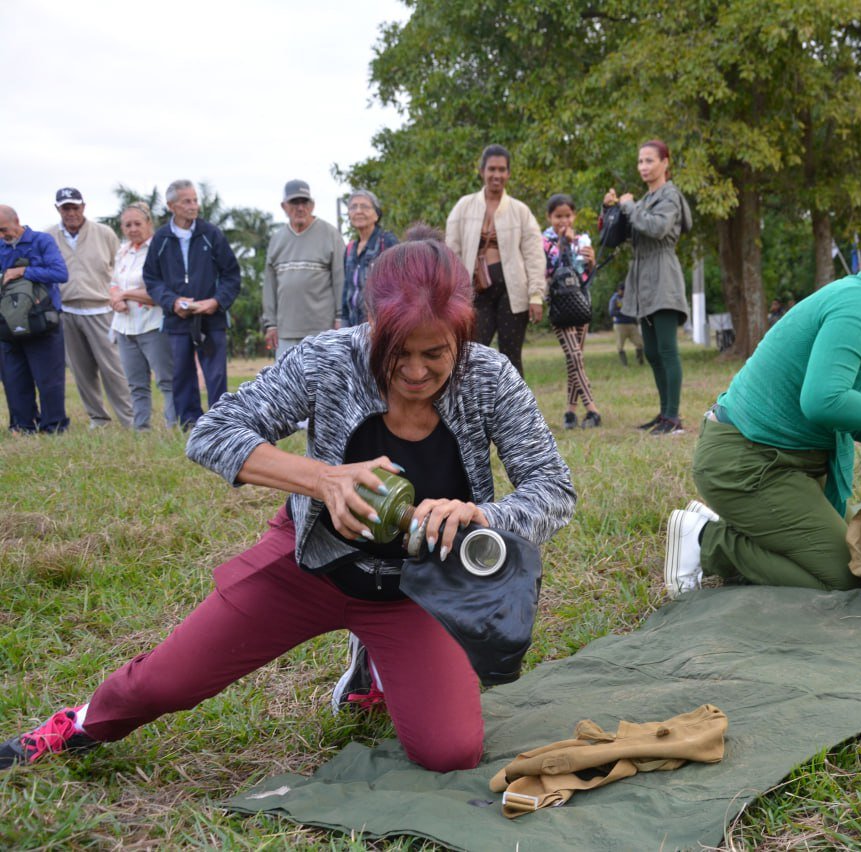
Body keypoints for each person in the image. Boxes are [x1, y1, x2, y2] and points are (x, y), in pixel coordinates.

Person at [0, 236, 575, 774]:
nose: (415, 371)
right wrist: (323, 480)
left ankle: (372, 661)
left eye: (435, 353)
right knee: (167, 683)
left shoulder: (490, 377)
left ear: (462, 334)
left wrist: (483, 515)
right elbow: (213, 432)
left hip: (415, 590)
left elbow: (553, 488)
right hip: (311, 566)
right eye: (397, 351)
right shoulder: (330, 358)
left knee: (450, 751)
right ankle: (76, 722)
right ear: (372, 322)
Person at [662, 202, 861, 596]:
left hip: (787, 466)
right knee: (848, 577)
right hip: (747, 465)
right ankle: (707, 541)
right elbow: (823, 401)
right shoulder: (857, 305)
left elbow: (845, 416)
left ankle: (744, 528)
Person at [602, 139, 693, 435]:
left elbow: (656, 228)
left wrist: (628, 206)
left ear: (665, 163)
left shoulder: (669, 196)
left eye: (649, 161)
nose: (643, 167)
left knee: (666, 349)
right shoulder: (642, 200)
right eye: (640, 161)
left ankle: (674, 417)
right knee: (652, 351)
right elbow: (618, 235)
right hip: (642, 280)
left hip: (663, 277)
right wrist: (611, 210)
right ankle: (664, 414)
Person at [142, 180, 242, 428]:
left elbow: (232, 274)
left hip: (212, 319)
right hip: (177, 319)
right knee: (182, 373)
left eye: (195, 200)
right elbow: (152, 279)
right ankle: (189, 424)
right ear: (171, 206)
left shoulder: (211, 234)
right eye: (187, 201)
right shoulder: (161, 239)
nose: (193, 205)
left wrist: (216, 301)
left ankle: (220, 424)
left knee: (216, 374)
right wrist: (171, 301)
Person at [445, 145, 545, 376]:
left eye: (502, 170)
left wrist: (536, 295)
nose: (496, 175)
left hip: (512, 290)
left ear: (509, 173)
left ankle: (516, 410)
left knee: (511, 355)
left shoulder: (520, 210)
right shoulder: (464, 207)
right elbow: (452, 251)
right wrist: (452, 293)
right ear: (482, 171)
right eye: (492, 169)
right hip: (474, 290)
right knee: (470, 353)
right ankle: (473, 408)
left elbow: (534, 254)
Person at [47, 188, 134, 429]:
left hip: (101, 309)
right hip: (67, 311)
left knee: (113, 368)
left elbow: (119, 268)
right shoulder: (49, 236)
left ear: (83, 207)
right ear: (58, 209)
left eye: (75, 207)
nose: (71, 213)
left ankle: (129, 419)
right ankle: (98, 418)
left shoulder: (104, 233)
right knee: (81, 370)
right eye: (66, 208)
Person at [0, 205, 69, 433]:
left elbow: (60, 273)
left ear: (17, 220)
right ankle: (23, 426)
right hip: (9, 323)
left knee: (49, 380)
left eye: (3, 229)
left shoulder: (41, 241)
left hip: (43, 322)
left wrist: (23, 272)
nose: (2, 235)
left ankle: (54, 426)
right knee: (14, 380)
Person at [109, 202, 176, 429]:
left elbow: (161, 291)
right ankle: (141, 429)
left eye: (137, 223)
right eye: (127, 225)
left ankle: (173, 425)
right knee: (136, 384)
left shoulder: (160, 249)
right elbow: (113, 283)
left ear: (149, 224)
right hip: (125, 326)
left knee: (166, 380)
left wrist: (126, 294)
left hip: (152, 324)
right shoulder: (122, 251)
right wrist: (116, 298)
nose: (132, 229)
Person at [263, 180, 345, 360]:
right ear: (284, 206)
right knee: (287, 385)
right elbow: (270, 284)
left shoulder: (330, 234)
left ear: (312, 205)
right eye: (294, 203)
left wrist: (340, 318)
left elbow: (340, 279)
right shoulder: (277, 239)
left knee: (322, 384)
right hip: (286, 332)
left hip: (322, 331)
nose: (300, 208)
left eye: (304, 202)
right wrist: (270, 324)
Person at [543, 194, 602, 429]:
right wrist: (562, 242)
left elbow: (586, 274)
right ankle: (592, 409)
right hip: (559, 305)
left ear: (574, 215)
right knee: (575, 355)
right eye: (558, 216)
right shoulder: (544, 241)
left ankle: (570, 412)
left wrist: (592, 259)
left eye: (567, 215)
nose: (563, 220)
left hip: (580, 302)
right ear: (549, 217)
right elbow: (550, 268)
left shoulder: (582, 240)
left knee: (573, 360)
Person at [342, 189, 398, 327]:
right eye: (353, 207)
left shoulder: (387, 242)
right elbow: (347, 289)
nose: (358, 211)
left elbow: (399, 284)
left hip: (379, 325)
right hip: (352, 327)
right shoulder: (349, 249)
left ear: (376, 215)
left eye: (365, 206)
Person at [608, 284, 643, 366]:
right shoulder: (615, 299)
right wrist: (624, 312)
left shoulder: (630, 298)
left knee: (640, 343)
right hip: (620, 325)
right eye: (623, 290)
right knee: (620, 345)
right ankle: (625, 364)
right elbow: (612, 312)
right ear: (619, 290)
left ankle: (640, 361)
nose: (624, 292)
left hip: (631, 324)